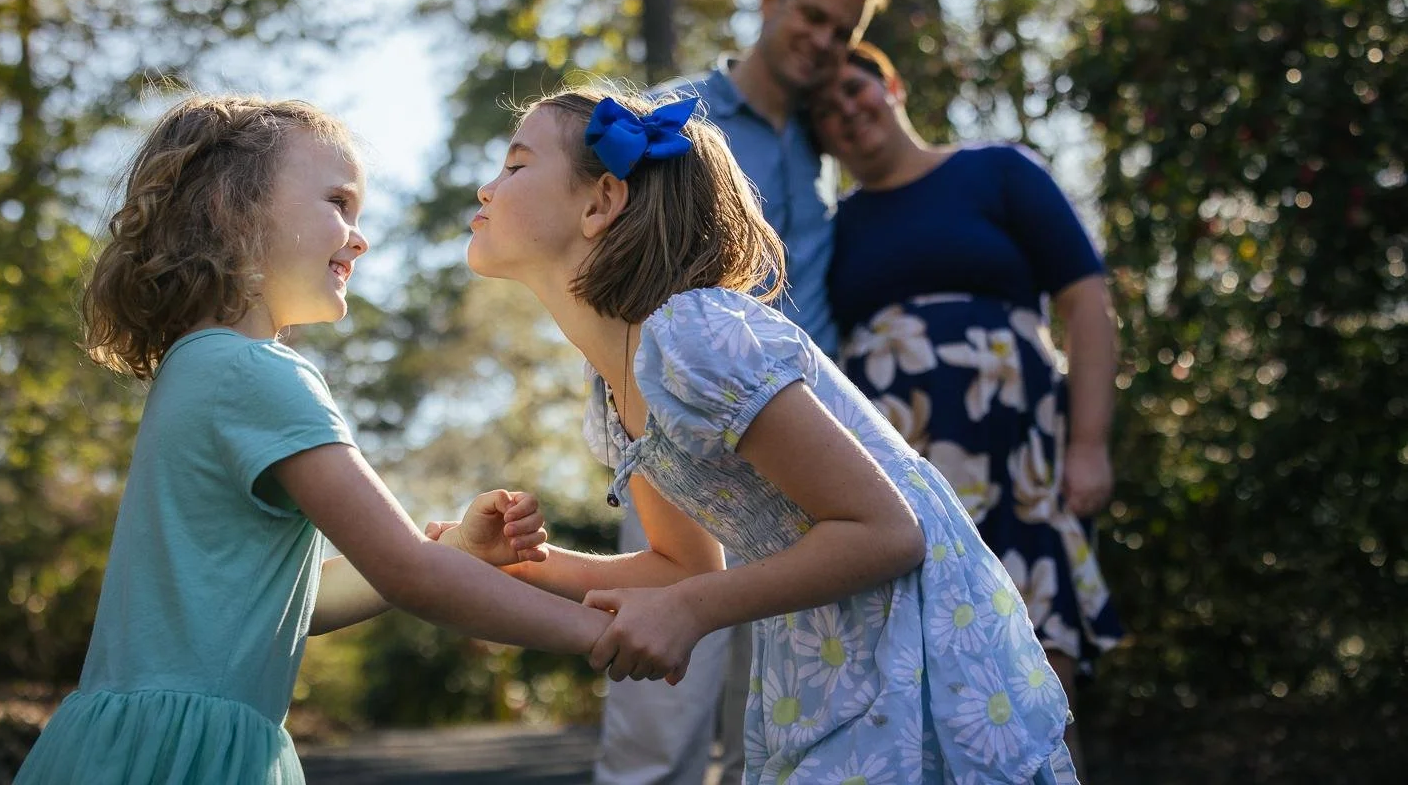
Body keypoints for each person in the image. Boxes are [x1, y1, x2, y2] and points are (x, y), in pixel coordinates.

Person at [448, 86, 1081, 784]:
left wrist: (688, 611)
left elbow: (886, 533)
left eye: (513, 166)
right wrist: (514, 561)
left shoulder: (693, 337)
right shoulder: (616, 381)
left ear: (599, 203)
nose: (486, 186)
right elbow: (681, 568)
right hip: (830, 653)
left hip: (920, 648)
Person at [14, 95, 622, 785]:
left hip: (121, 745)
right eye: (338, 202)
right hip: (190, 756)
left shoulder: (198, 366)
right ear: (229, 210)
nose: (359, 238)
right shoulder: (255, 374)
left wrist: (453, 548)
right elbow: (407, 573)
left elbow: (294, 606)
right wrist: (603, 634)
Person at [598, 0, 890, 785]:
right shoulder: (667, 120)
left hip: (807, 442)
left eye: (841, 30)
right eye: (810, 15)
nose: (821, 40)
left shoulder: (820, 140)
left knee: (785, 700)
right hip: (683, 427)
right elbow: (605, 258)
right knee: (664, 699)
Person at [811, 43, 1123, 775]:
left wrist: (1089, 442)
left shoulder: (996, 170)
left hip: (1020, 468)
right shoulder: (836, 229)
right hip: (901, 485)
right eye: (823, 112)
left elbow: (1085, 302)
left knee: (1035, 677)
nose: (845, 112)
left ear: (888, 84)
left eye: (854, 88)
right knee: (918, 691)